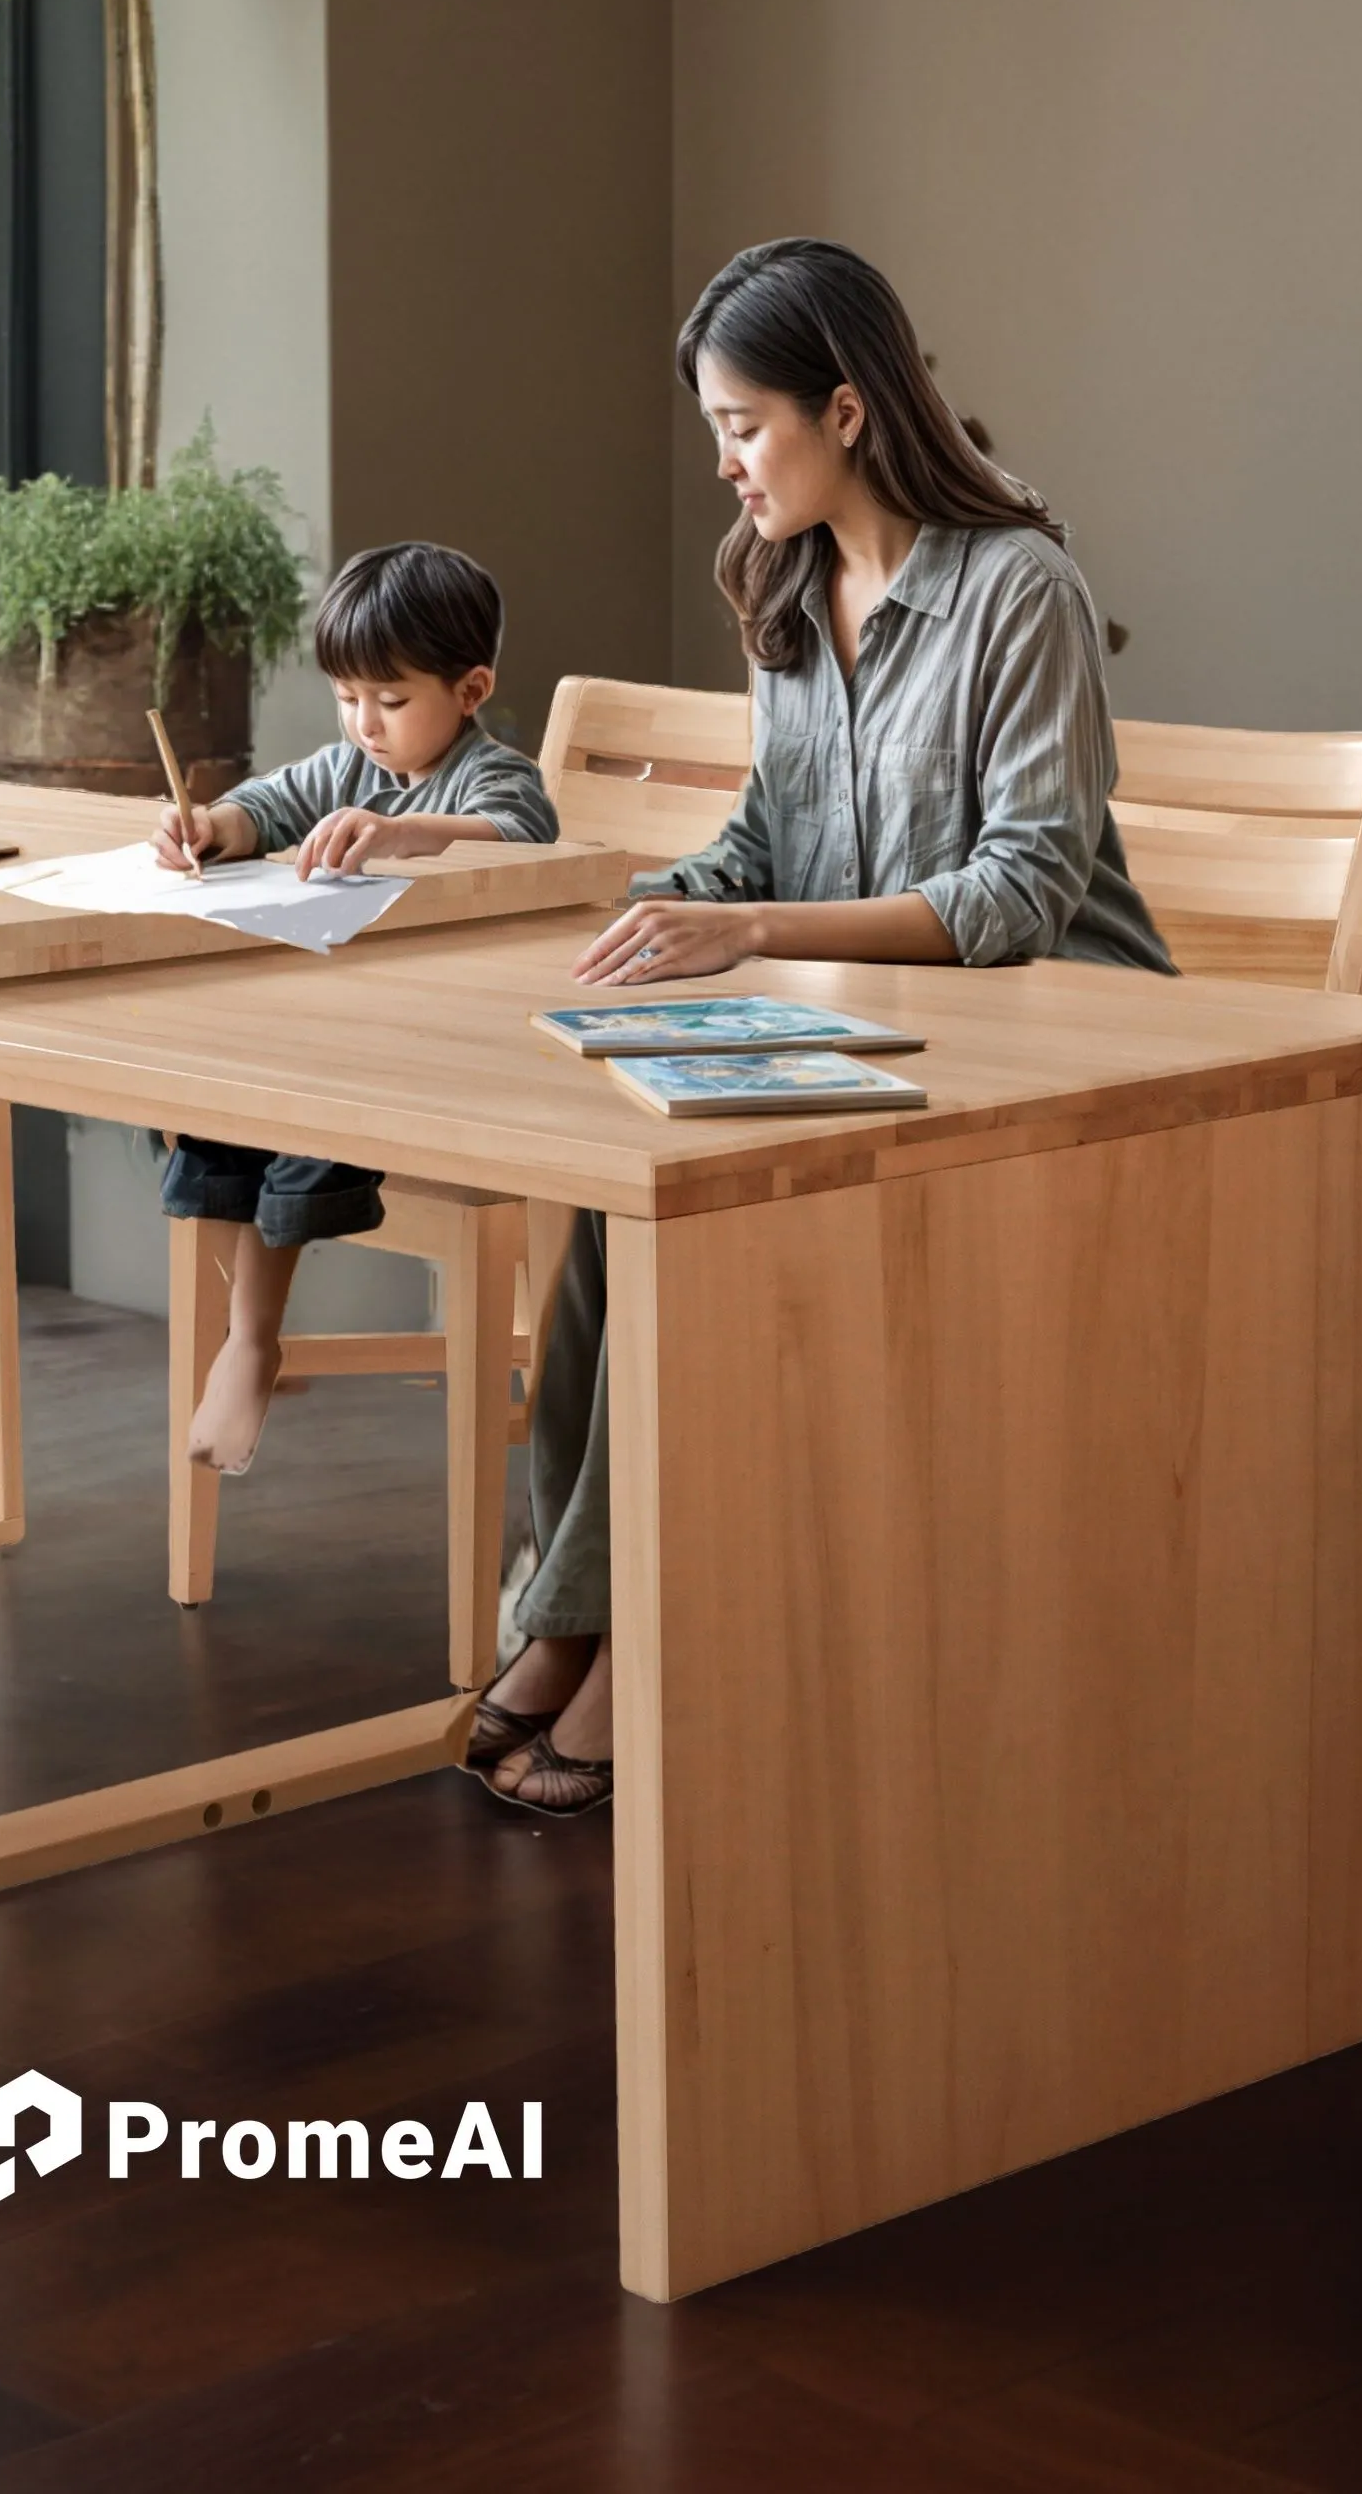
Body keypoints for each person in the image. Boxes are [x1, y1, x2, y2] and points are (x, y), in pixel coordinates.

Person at [477, 236, 1173, 1822]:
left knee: (682, 1230)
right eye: (712, 432)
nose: (723, 464)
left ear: (845, 409)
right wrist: (585, 899)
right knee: (611, 1225)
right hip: (874, 1035)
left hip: (1063, 1050)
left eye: (741, 426)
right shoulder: (784, 583)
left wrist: (739, 930)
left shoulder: (1019, 591)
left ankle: (604, 1643)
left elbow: (1014, 896)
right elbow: (757, 851)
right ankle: (578, 1620)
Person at [154, 539, 559, 1475]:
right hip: (339, 1040)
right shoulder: (343, 769)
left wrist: (407, 832)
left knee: (305, 1104)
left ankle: (253, 1342)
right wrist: (208, 826)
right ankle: (245, 1337)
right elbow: (262, 804)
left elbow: (520, 834)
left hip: (444, 1055)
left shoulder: (492, 775)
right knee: (229, 1098)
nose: (363, 724)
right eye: (345, 697)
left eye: (389, 699)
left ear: (469, 688)